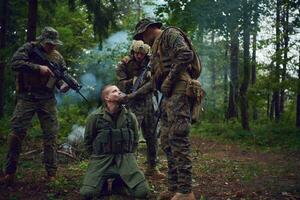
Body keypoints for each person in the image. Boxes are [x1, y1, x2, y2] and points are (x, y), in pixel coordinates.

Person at [133, 18, 202, 200]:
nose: (142, 39)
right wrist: (132, 96)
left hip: (179, 89)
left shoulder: (169, 34)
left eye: (142, 34)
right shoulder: (155, 48)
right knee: (166, 140)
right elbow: (154, 81)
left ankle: (186, 191)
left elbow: (185, 54)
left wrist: (170, 80)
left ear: (149, 29)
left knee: (178, 138)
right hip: (168, 94)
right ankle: (173, 187)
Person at [0, 27, 70, 185]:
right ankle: (9, 172)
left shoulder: (58, 57)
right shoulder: (29, 48)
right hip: (27, 97)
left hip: (47, 98)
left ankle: (51, 173)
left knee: (51, 135)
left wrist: (63, 85)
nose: (52, 47)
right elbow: (15, 63)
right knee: (16, 132)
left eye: (54, 44)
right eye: (49, 43)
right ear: (42, 40)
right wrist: (38, 68)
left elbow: (61, 75)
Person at [80, 85, 150, 199]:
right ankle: (103, 185)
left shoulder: (130, 117)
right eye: (115, 91)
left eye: (119, 90)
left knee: (142, 192)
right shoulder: (94, 118)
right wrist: (96, 158)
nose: (119, 92)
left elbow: (135, 140)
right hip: (101, 162)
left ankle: (119, 184)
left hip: (125, 161)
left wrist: (129, 156)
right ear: (107, 98)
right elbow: (88, 141)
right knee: (87, 193)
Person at [115, 40, 165, 178]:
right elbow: (119, 85)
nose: (139, 56)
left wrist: (150, 79)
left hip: (149, 102)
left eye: (141, 54)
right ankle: (131, 169)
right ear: (132, 52)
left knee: (153, 136)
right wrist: (132, 81)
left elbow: (156, 81)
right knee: (131, 137)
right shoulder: (124, 64)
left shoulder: (152, 62)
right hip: (131, 104)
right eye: (136, 53)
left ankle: (152, 167)